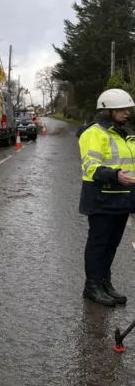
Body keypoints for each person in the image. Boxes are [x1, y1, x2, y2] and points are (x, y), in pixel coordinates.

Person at [77, 88, 135, 307]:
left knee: (112, 245)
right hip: (102, 199)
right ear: (107, 111)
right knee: (99, 244)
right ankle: (92, 287)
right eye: (121, 109)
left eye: (127, 109)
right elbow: (91, 167)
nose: (126, 113)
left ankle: (104, 283)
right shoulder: (94, 133)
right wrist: (115, 176)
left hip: (123, 199)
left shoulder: (126, 133)